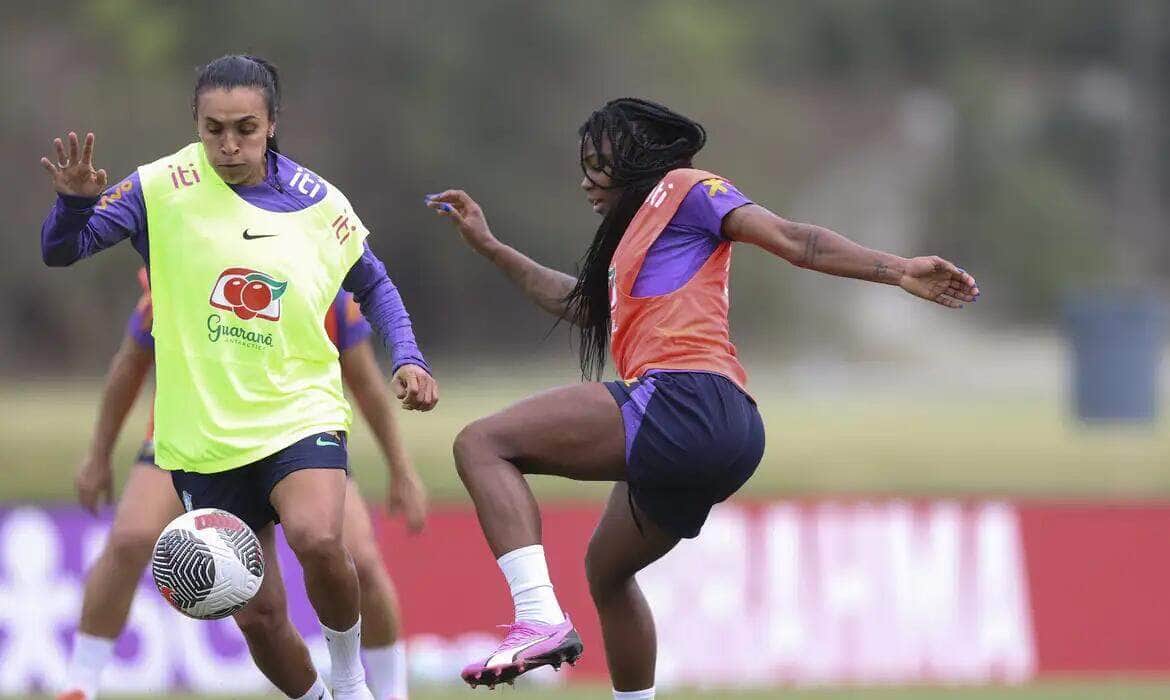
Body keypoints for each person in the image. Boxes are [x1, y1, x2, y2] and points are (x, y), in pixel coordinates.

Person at [426, 97, 979, 697]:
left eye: (597, 163)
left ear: (634, 159)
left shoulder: (686, 188)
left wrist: (896, 270)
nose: (586, 178)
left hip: (685, 399)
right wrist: (492, 247)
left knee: (481, 443)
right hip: (728, 429)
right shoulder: (628, 243)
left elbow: (796, 241)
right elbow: (580, 305)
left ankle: (537, 617)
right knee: (608, 573)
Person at [40, 55, 438, 700]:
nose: (229, 145)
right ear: (195, 124)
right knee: (256, 614)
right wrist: (72, 208)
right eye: (214, 128)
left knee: (317, 537)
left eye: (246, 128)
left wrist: (411, 358)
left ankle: (350, 681)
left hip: (298, 413)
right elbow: (62, 252)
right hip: (203, 438)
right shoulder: (157, 186)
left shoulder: (319, 203)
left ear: (273, 123)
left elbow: (375, 283)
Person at [59, 270, 424, 700]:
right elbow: (131, 364)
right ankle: (79, 686)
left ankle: (390, 692)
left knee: (357, 558)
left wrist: (401, 469)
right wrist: (98, 455)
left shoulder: (318, 274)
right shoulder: (187, 267)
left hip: (298, 434)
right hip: (193, 439)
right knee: (132, 538)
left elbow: (364, 382)